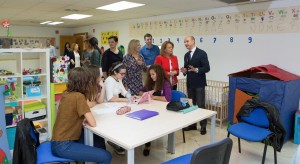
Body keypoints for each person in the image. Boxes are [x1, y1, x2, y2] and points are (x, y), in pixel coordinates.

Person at [51, 67, 112, 163]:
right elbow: (93, 123)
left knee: (98, 139)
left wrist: (82, 118)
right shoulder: (79, 97)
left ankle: (93, 156)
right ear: (83, 82)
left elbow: (71, 113)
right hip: (63, 145)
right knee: (106, 156)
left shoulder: (66, 93)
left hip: (58, 140)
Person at [180, 36, 210, 135]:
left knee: (200, 105)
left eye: (187, 41)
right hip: (190, 84)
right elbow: (186, 69)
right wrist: (184, 71)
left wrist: (196, 69)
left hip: (199, 84)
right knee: (191, 105)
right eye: (184, 42)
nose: (186, 43)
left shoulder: (202, 53)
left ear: (193, 41)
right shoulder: (186, 55)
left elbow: (207, 68)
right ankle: (192, 125)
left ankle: (203, 126)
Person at [140, 64, 172, 156]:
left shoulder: (165, 83)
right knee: (146, 122)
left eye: (153, 74)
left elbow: (167, 99)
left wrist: (153, 97)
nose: (151, 76)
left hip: (163, 111)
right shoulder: (151, 82)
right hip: (152, 107)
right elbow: (141, 91)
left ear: (159, 74)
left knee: (150, 123)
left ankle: (148, 144)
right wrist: (144, 94)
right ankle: (147, 143)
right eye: (150, 74)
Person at [104, 62, 129, 155]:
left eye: (124, 73)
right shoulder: (109, 80)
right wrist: (125, 99)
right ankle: (115, 142)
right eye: (121, 73)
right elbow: (110, 98)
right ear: (115, 72)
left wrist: (131, 96)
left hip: (115, 105)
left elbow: (124, 91)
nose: (123, 75)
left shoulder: (119, 79)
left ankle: (120, 141)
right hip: (107, 107)